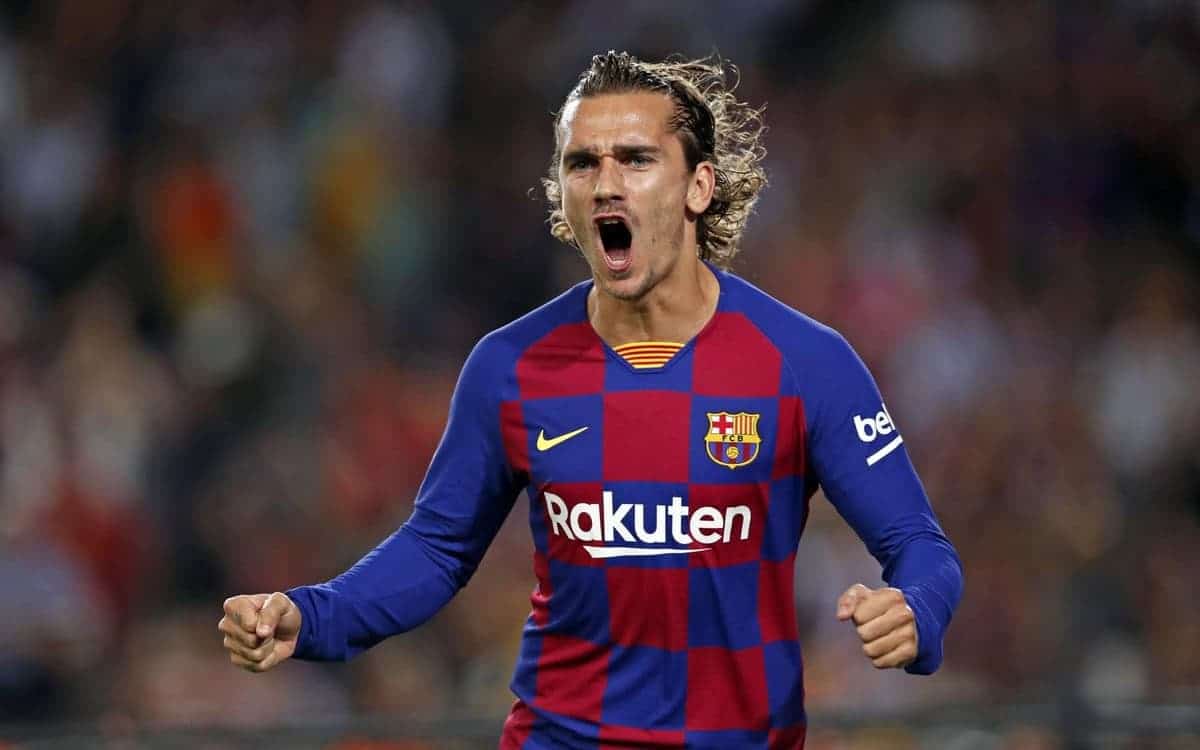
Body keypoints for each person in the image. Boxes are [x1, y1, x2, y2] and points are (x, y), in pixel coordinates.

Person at [219, 51, 963, 749]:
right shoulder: (510, 366)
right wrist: (311, 615)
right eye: (582, 163)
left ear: (698, 187)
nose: (605, 183)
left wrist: (916, 610)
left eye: (636, 159)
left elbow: (919, 547)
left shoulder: (804, 362)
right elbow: (437, 549)